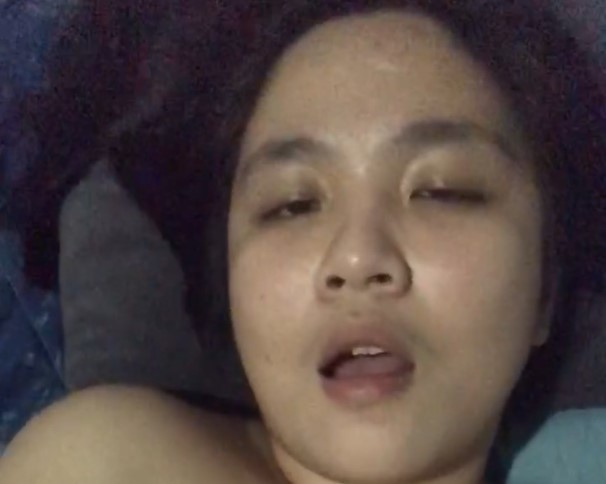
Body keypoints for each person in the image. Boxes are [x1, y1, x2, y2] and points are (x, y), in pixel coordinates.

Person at [1, 1, 604, 483]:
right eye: (292, 205)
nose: (357, 257)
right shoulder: (109, 464)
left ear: (545, 292)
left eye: (440, 191)